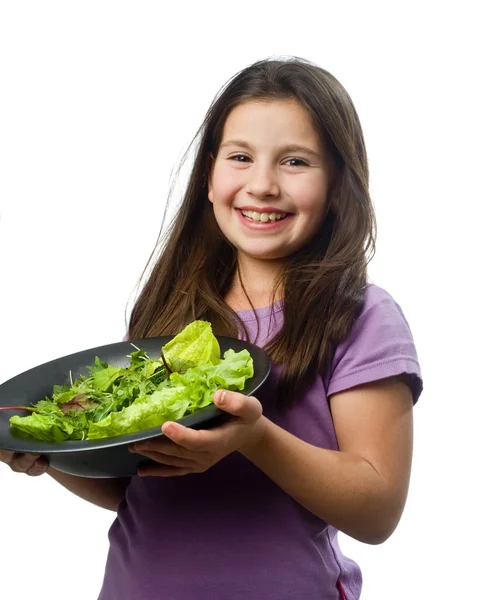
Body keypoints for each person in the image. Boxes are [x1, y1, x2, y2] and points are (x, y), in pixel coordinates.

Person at [0, 56, 422, 600]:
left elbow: (377, 510)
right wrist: (49, 456)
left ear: (340, 185)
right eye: (240, 157)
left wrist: (256, 438)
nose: (262, 185)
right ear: (209, 176)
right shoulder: (171, 312)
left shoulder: (360, 314)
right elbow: (138, 486)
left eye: (295, 161)